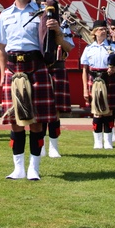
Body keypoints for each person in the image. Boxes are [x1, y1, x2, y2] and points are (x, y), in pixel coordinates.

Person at [0, 0, 61, 181]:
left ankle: (34, 167)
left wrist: (55, 28)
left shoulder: (42, 13)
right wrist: (3, 73)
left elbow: (55, 44)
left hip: (36, 66)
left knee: (37, 121)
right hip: (13, 70)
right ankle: (18, 168)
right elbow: (1, 47)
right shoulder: (5, 15)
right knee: (15, 120)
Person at [81, 20, 115, 149]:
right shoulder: (88, 49)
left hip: (109, 80)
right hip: (94, 81)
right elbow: (85, 70)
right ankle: (98, 142)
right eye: (100, 29)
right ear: (94, 33)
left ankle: (108, 141)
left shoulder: (114, 47)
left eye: (105, 29)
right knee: (97, 112)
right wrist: (85, 90)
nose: (103, 31)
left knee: (108, 112)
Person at [46, 16, 75, 157]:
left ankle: (53, 146)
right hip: (38, 67)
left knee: (55, 111)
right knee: (38, 111)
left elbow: (68, 47)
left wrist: (58, 33)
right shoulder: (34, 21)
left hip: (57, 67)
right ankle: (39, 146)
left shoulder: (62, 25)